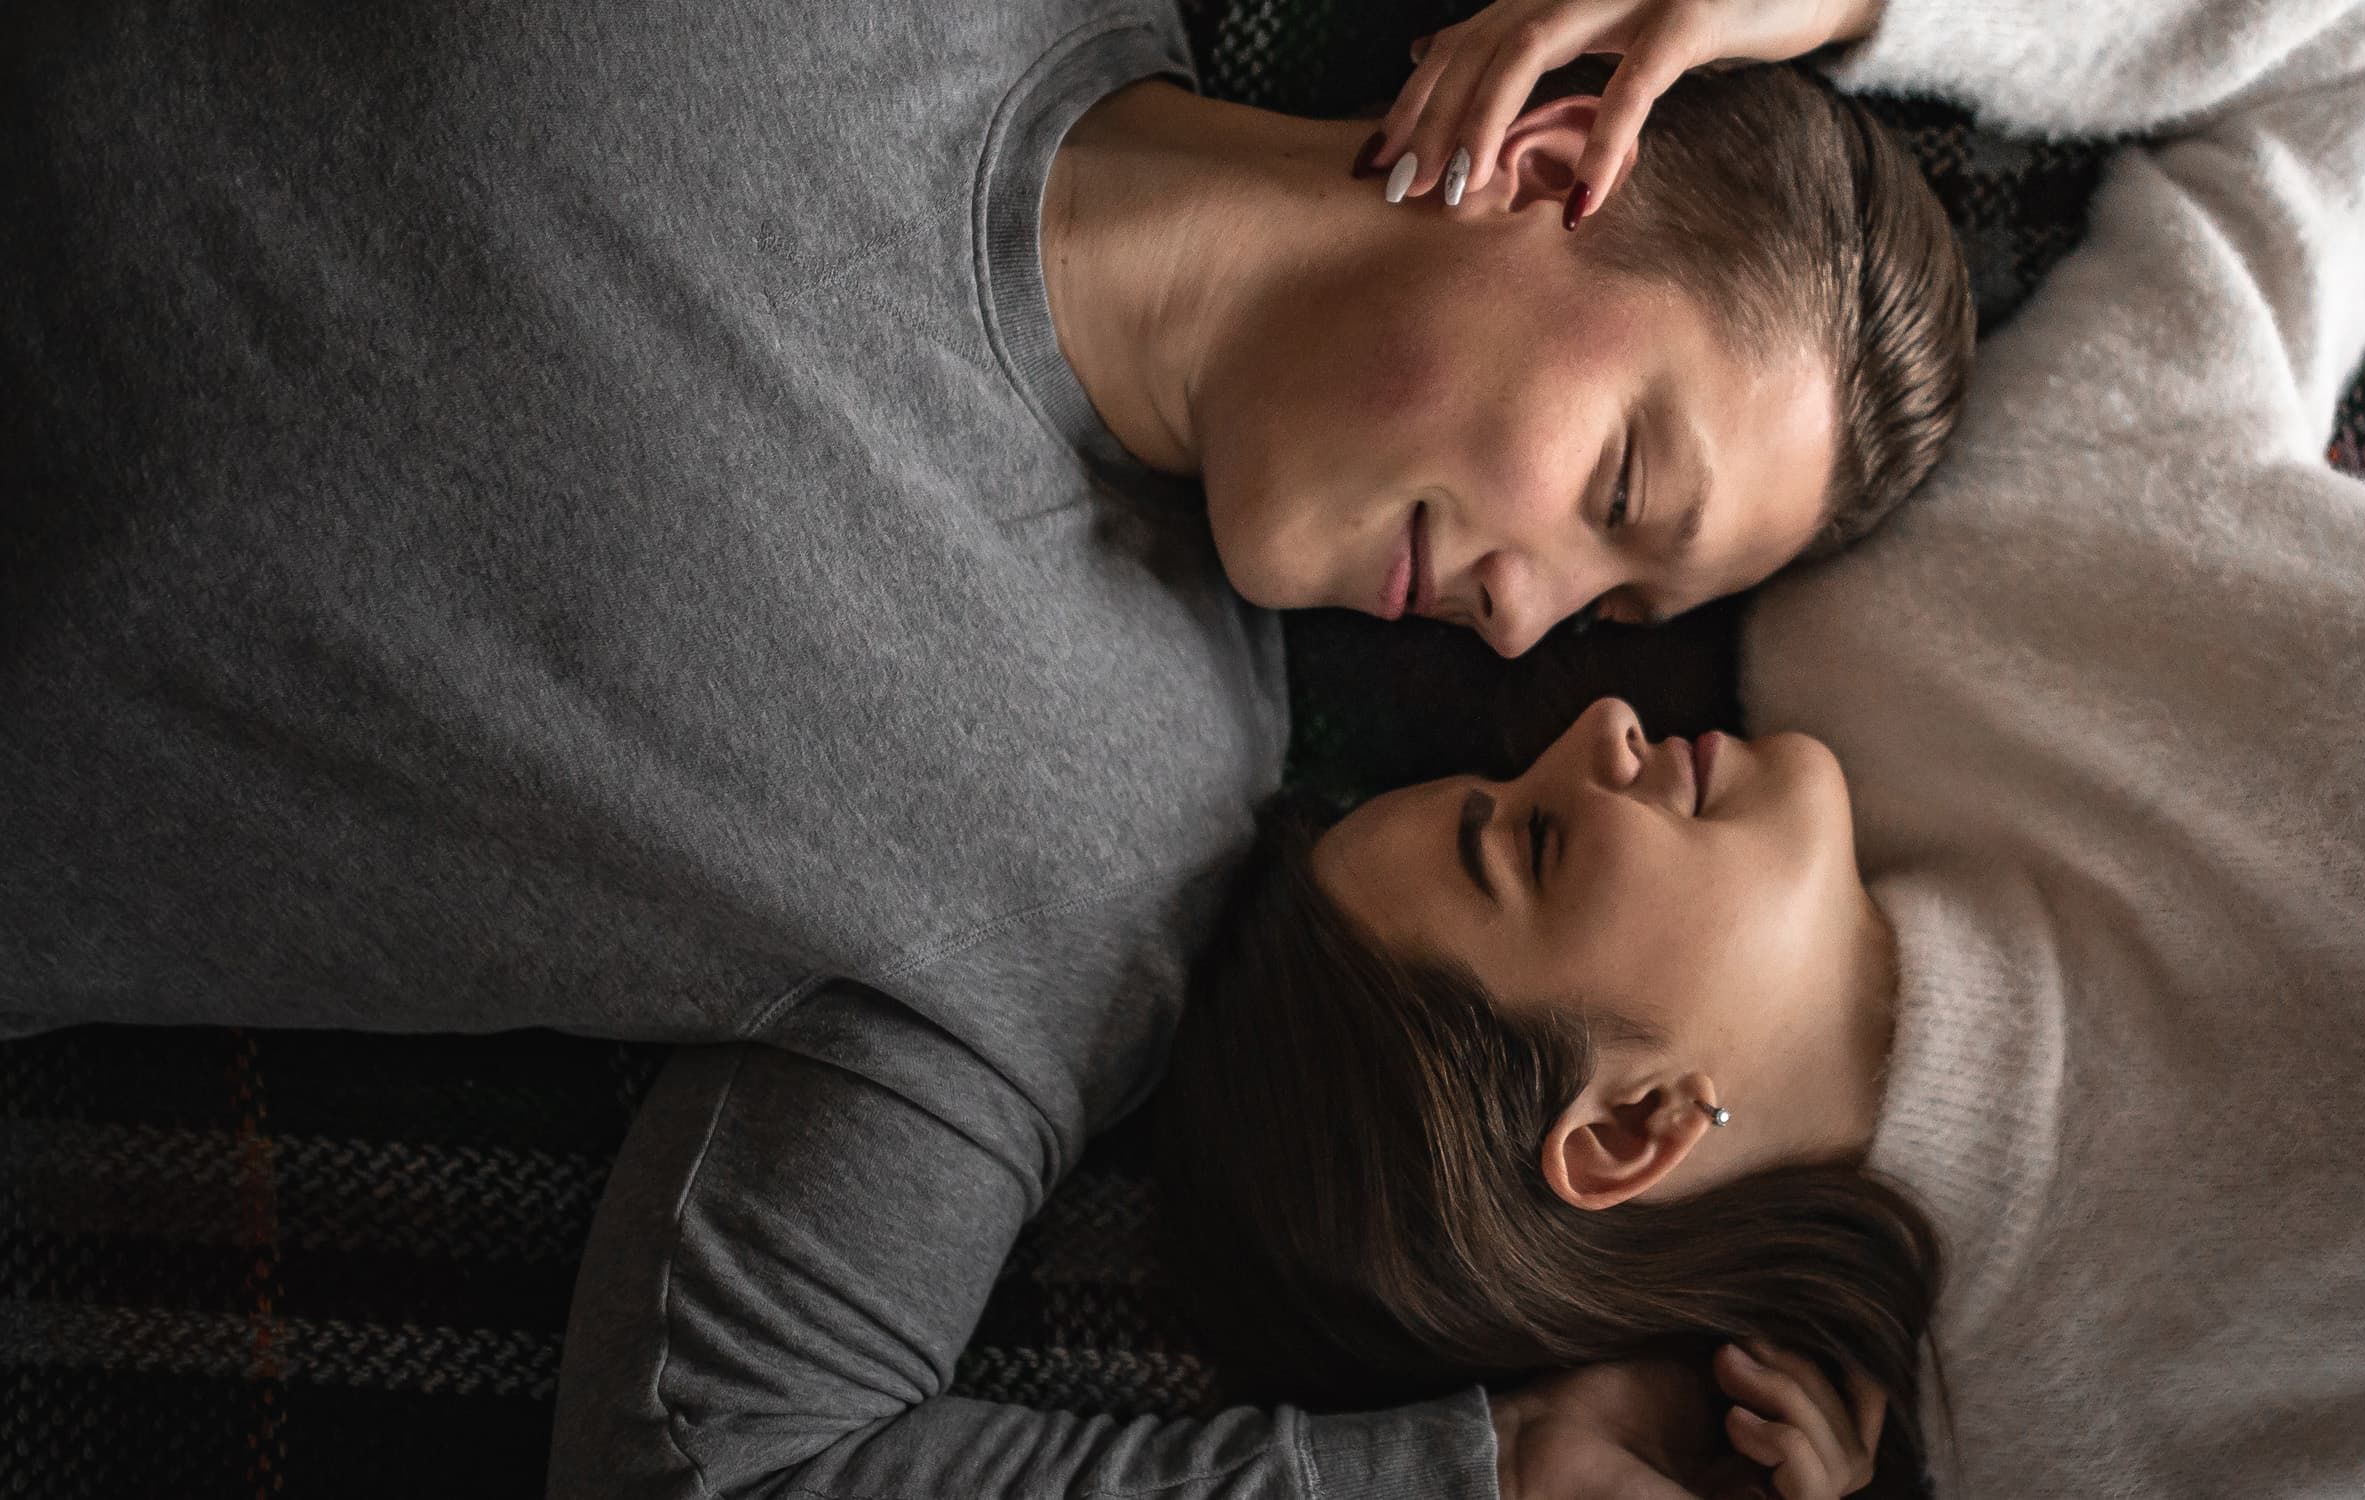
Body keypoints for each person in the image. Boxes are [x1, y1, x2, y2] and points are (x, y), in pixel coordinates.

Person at [2, 0, 1968, 1493]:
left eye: (1618, 610)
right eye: (1624, 483)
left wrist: (1461, 1476)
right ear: (1553, 162)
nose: (1530, 626)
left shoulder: (1103, 855)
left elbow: (740, 1459)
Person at [1159, 0, 2365, 1493]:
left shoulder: (1933, 613)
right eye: (1534, 844)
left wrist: (1846, 5)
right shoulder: (2087, 1439)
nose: (1592, 726)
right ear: (1633, 1131)